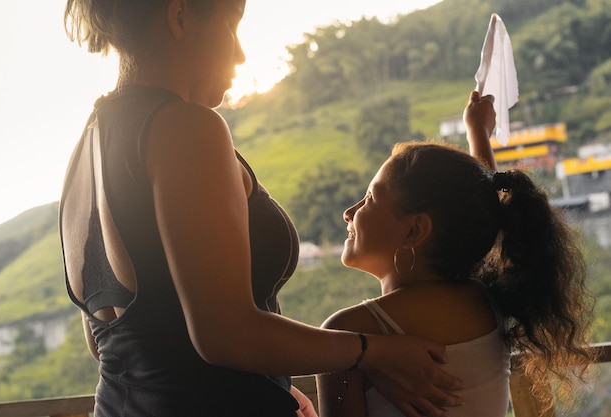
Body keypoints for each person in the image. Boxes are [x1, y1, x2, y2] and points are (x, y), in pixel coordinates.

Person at [58, 1, 465, 416]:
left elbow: (115, 340)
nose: (240, 53)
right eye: (232, 26)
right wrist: (371, 351)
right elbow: (226, 336)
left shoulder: (85, 152)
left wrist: (273, 384)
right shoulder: (186, 126)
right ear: (179, 17)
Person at [316, 91, 596, 417]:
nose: (349, 212)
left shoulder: (347, 333)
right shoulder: (487, 302)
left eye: (369, 198)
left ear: (414, 231)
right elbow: (478, 220)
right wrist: (478, 135)